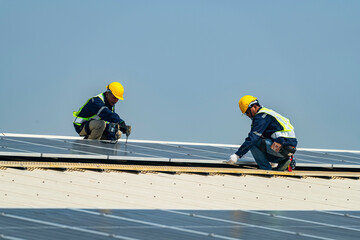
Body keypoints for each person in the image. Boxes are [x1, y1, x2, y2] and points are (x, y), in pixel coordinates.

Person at [227, 95, 297, 171]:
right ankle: (283, 161)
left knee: (254, 143)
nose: (247, 115)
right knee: (261, 138)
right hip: (288, 148)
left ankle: (266, 169)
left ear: (254, 106)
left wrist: (237, 155)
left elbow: (252, 139)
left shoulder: (261, 117)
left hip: (282, 147)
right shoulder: (269, 113)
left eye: (247, 112)